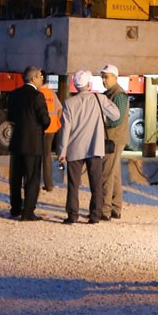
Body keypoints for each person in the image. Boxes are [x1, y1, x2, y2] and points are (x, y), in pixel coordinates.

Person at [58, 70, 119, 224]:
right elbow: (116, 115)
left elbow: (65, 130)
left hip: (74, 149)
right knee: (96, 184)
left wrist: (62, 151)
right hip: (95, 148)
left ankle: (72, 215)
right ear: (89, 84)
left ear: (75, 86)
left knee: (73, 185)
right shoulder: (100, 99)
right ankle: (95, 215)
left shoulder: (69, 103)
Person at [7, 66, 51, 220]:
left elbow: (10, 116)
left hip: (17, 141)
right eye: (40, 76)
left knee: (16, 177)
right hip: (33, 143)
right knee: (32, 178)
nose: (42, 79)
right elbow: (45, 120)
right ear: (34, 78)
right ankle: (28, 212)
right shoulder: (37, 96)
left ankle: (15, 208)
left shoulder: (14, 95)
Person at [100, 64, 129, 221]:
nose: (104, 80)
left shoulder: (119, 95)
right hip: (114, 138)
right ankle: (116, 208)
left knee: (106, 174)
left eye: (106, 76)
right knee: (115, 174)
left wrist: (100, 121)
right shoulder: (112, 94)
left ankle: (104, 210)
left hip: (113, 139)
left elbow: (116, 119)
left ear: (115, 78)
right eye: (103, 77)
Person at [39, 74, 63, 192]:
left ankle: (34, 181)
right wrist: (56, 121)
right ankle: (49, 184)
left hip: (40, 129)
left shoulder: (38, 93)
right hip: (52, 128)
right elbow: (59, 109)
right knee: (47, 155)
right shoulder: (51, 93)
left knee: (37, 156)